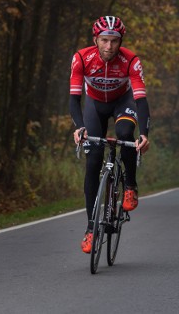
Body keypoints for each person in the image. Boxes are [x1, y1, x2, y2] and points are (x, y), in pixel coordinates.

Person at [69, 15, 151, 254]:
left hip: (122, 102)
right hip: (95, 105)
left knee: (126, 133)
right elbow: (74, 99)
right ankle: (90, 228)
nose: (109, 46)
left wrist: (144, 134)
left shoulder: (131, 60)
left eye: (114, 41)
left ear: (120, 41)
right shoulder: (81, 58)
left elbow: (141, 100)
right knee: (93, 160)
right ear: (96, 39)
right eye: (104, 40)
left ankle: (130, 186)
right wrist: (79, 126)